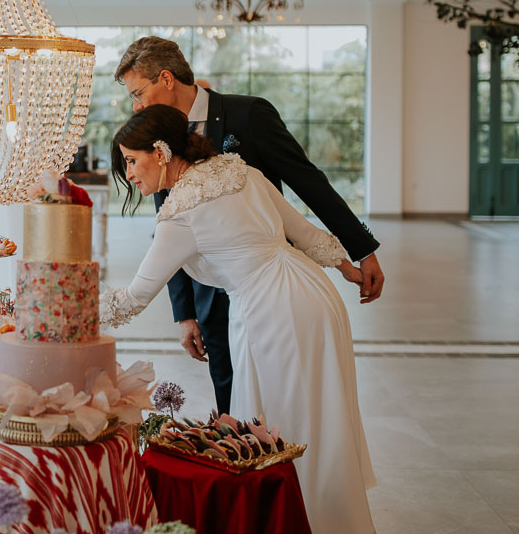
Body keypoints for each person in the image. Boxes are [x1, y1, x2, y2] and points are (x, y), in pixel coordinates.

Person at [99, 105, 398, 534]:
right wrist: (346, 264)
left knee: (284, 433)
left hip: (271, 311)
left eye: (132, 161)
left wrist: (69, 312)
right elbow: (301, 233)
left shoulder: (180, 213)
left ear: (161, 152)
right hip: (314, 295)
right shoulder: (243, 172)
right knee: (322, 428)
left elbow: (134, 297)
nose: (130, 174)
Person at [115, 36, 384, 418]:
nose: (137, 104)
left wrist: (361, 250)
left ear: (166, 78)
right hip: (212, 292)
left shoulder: (248, 114)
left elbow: (307, 181)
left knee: (288, 400)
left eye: (139, 92)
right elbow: (168, 224)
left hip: (276, 287)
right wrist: (185, 313)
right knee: (233, 395)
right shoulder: (155, 142)